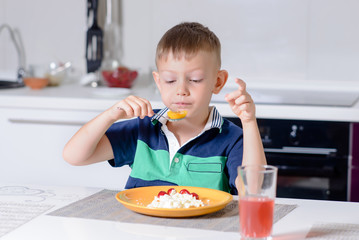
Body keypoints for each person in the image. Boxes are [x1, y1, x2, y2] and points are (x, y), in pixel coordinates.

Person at [63, 22, 266, 194]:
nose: (181, 90)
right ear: (158, 82)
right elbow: (74, 156)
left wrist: (249, 123)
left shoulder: (232, 139)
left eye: (195, 79)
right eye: (170, 80)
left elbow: (253, 191)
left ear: (218, 82)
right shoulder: (143, 130)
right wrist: (110, 115)